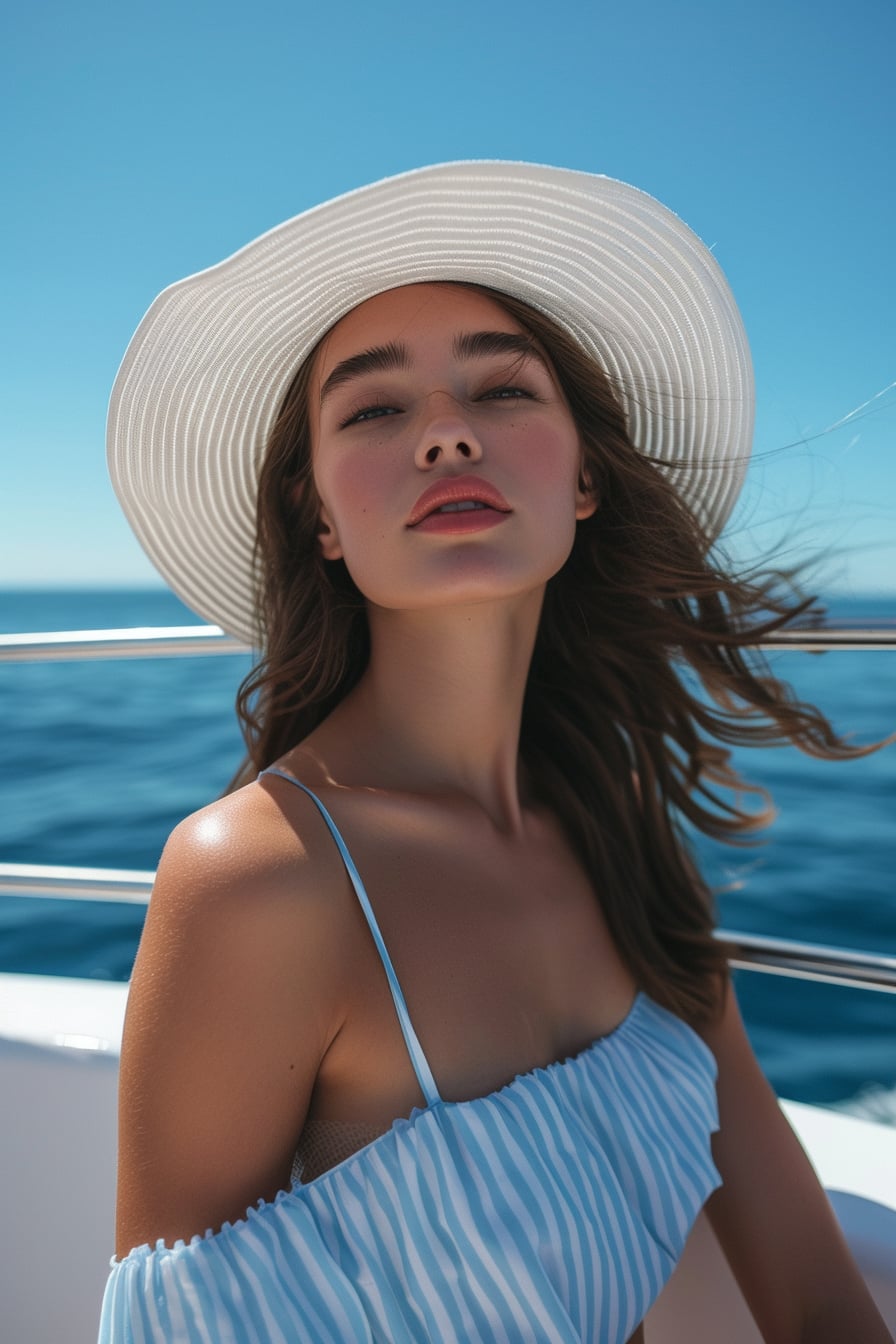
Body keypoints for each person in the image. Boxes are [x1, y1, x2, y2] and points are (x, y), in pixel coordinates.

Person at [98, 162, 891, 1343]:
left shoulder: (615, 821)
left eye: (503, 390)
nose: (447, 433)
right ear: (318, 515)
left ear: (582, 478)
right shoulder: (258, 879)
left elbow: (821, 1303)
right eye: (373, 410)